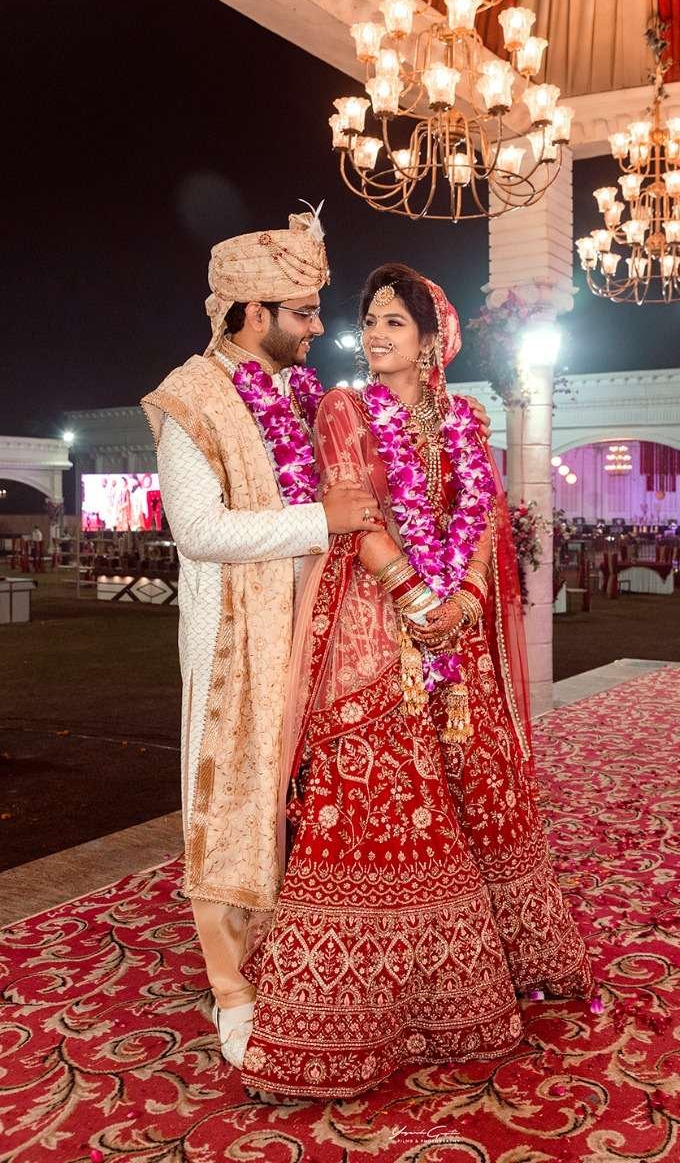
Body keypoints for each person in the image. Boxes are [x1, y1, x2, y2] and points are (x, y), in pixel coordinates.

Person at [241, 264, 591, 1100]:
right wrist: (412, 592)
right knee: (381, 796)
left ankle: (498, 973)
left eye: (394, 321)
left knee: (478, 783)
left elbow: (484, 516)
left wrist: (463, 595)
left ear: (433, 341)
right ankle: (347, 1015)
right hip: (374, 625)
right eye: (370, 319)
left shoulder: (465, 417)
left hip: (456, 637)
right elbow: (349, 506)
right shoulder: (344, 409)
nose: (375, 333)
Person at [141, 209, 384, 1066]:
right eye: (303, 312)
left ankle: (290, 946)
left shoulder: (297, 396)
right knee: (231, 797)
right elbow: (199, 531)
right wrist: (322, 520)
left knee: (302, 792)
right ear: (252, 313)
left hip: (312, 623)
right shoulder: (190, 399)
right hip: (231, 634)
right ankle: (230, 987)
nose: (317, 328)